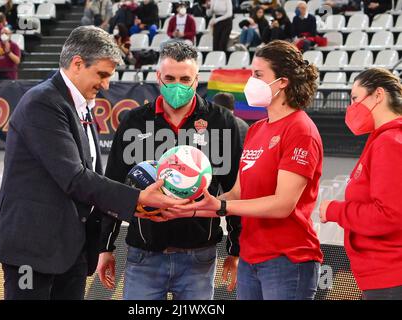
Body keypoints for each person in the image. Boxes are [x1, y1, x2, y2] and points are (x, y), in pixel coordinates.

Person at [0, 26, 187, 300]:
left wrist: (136, 205)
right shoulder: (42, 102)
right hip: (32, 250)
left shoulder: (78, 105)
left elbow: (89, 176)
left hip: (70, 249)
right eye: (102, 75)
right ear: (77, 64)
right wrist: (137, 198)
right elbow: (74, 177)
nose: (106, 84)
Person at [163, 40, 323, 300]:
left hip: (287, 260)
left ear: (282, 82)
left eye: (258, 75)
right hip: (252, 258)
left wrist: (222, 208)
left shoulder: (300, 129)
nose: (250, 82)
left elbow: (283, 204)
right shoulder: (258, 128)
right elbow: (238, 192)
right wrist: (195, 205)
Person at [96, 41, 242, 300]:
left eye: (185, 78)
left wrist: (235, 249)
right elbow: (113, 186)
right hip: (144, 256)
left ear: (197, 80)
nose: (177, 85)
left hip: (200, 257)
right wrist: (105, 247)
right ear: (158, 78)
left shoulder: (221, 122)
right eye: (170, 78)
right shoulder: (134, 121)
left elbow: (235, 190)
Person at [319, 68, 402, 300]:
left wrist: (335, 210)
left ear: (378, 95)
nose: (351, 107)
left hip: (389, 276)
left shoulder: (390, 142)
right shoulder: (383, 139)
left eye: (355, 98)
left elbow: (389, 215)